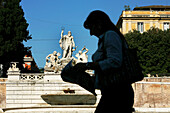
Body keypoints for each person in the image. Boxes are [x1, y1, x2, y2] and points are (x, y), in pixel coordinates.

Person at [73, 10, 134, 113]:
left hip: (117, 92)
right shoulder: (107, 37)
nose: (91, 33)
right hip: (113, 92)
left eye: (91, 28)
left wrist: (87, 65)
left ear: (99, 24)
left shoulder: (110, 35)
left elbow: (115, 61)